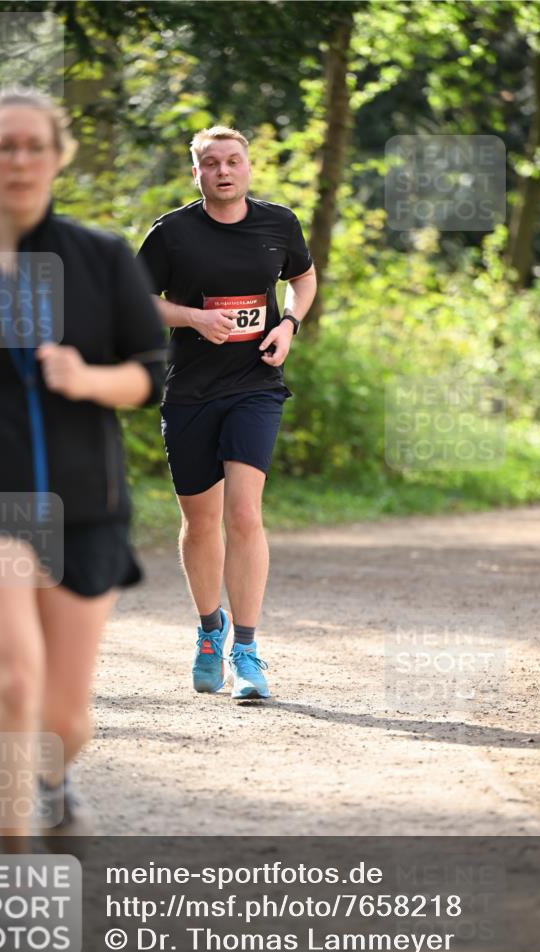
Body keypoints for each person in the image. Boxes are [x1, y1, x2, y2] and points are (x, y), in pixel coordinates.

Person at [0, 90, 167, 848]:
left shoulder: (99, 258)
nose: (19, 160)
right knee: (13, 680)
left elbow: (152, 374)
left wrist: (87, 379)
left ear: (56, 158)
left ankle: (54, 782)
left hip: (88, 500)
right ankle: (12, 849)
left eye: (33, 146)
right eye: (4, 145)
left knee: (63, 716)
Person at [138, 125, 316, 700]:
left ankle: (247, 650)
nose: (223, 170)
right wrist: (193, 319)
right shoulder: (173, 233)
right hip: (190, 392)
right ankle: (208, 630)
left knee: (243, 514)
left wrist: (288, 324)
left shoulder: (279, 224)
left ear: (248, 168)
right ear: (197, 172)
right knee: (200, 522)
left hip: (255, 386)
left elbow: (303, 278)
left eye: (232, 161)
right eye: (210, 162)